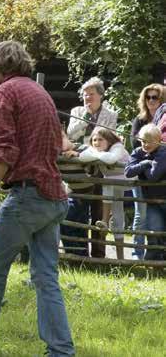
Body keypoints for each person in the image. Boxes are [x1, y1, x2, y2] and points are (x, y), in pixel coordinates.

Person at [0, 41, 74, 357]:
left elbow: (4, 154)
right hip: (53, 194)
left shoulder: (4, 93)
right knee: (46, 277)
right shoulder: (41, 94)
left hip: (27, 196)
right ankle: (61, 351)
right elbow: (55, 145)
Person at [66, 77, 117, 258]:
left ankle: (98, 255)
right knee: (76, 209)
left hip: (101, 167)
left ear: (100, 96)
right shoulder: (77, 111)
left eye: (91, 95)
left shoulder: (110, 114)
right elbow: (71, 133)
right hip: (78, 168)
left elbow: (108, 138)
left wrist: (89, 147)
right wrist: (86, 118)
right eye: (85, 95)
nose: (87, 98)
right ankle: (78, 253)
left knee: (98, 211)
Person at [78, 128, 130, 259]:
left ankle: (105, 220)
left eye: (100, 139)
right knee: (118, 218)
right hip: (113, 184)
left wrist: (95, 154)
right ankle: (120, 259)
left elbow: (111, 159)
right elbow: (82, 156)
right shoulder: (97, 149)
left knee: (107, 183)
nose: (96, 143)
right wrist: (96, 152)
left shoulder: (117, 146)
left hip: (128, 181)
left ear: (109, 140)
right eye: (94, 140)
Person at [130, 84, 163, 259]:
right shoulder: (139, 120)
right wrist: (148, 159)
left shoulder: (163, 120)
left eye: (155, 97)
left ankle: (155, 254)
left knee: (155, 217)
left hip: (159, 174)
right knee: (140, 214)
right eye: (148, 97)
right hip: (141, 173)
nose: (151, 100)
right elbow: (135, 145)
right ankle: (137, 253)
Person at [124, 123, 166, 261]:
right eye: (143, 141)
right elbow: (128, 172)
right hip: (152, 200)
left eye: (149, 141)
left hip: (163, 197)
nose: (145, 145)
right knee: (155, 230)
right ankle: (155, 264)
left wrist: (142, 167)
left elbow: (154, 176)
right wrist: (145, 163)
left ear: (159, 141)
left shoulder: (163, 152)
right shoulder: (138, 152)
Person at [58, 130, 92, 256]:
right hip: (73, 193)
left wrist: (78, 156)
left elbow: (92, 168)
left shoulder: (83, 148)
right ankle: (74, 255)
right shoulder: (58, 156)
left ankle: (79, 256)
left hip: (90, 192)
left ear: (66, 136)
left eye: (61, 137)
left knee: (78, 224)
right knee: (68, 222)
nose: (60, 142)